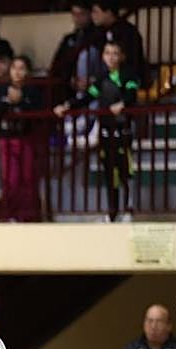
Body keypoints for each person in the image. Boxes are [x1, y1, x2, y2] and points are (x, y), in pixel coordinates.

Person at [53, 40, 138, 222]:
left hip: (123, 129)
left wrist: (122, 104)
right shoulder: (101, 77)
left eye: (115, 53)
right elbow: (87, 96)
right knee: (109, 172)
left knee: (125, 171)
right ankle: (112, 212)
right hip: (106, 129)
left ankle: (129, 209)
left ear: (122, 56)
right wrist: (67, 106)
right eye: (107, 53)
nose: (111, 57)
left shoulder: (128, 74)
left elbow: (132, 94)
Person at [0, 56, 43, 222]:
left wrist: (21, 101)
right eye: (14, 68)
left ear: (27, 72)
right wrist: (8, 102)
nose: (17, 72)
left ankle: (28, 215)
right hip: (6, 139)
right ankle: (9, 214)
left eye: (22, 68)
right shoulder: (0, 90)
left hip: (26, 138)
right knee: (10, 178)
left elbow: (38, 111)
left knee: (27, 177)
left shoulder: (32, 92)